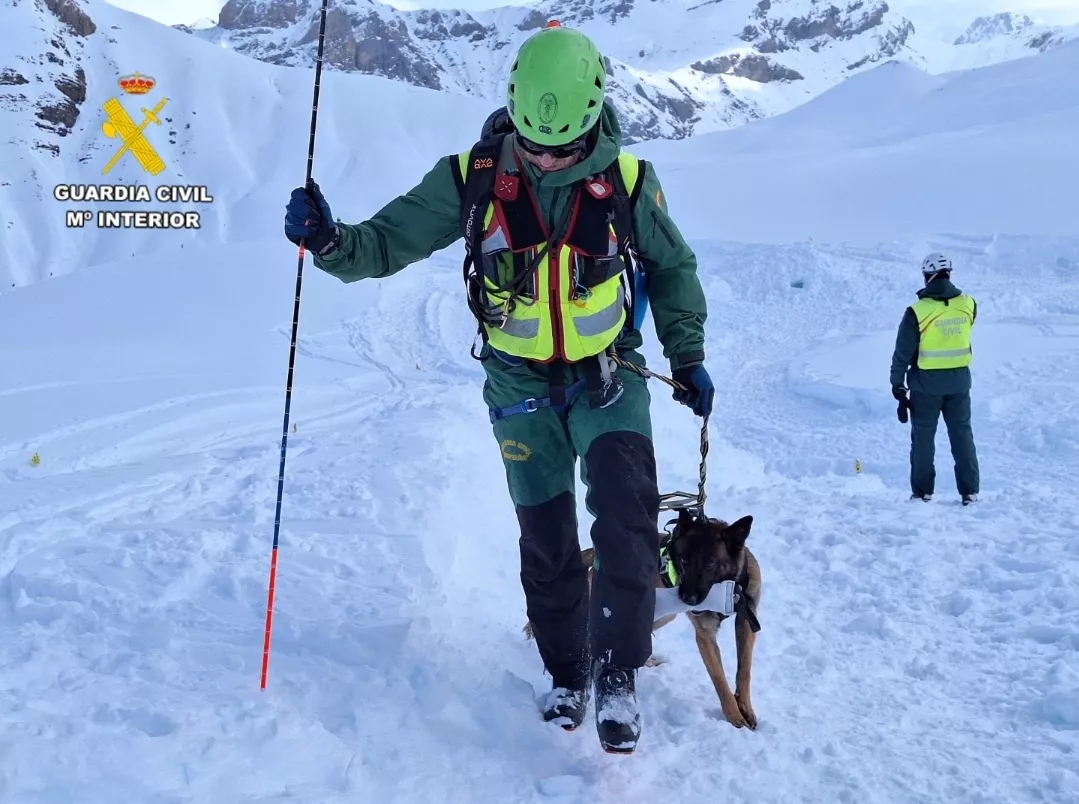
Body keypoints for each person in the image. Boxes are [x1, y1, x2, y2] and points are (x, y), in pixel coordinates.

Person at [283, 21, 711, 754]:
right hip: (516, 382)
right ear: (513, 108)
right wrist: (327, 241)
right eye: (533, 141)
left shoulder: (630, 185)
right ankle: (567, 674)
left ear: (592, 117)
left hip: (608, 378)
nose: (545, 156)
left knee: (628, 522)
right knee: (546, 541)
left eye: (562, 146)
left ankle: (616, 676)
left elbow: (672, 269)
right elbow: (385, 242)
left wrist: (688, 353)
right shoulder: (472, 177)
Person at [890, 253, 980, 505]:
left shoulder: (917, 312)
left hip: (925, 387)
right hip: (960, 384)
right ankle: (969, 492)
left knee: (923, 439)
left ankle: (922, 492)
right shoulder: (969, 304)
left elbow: (903, 352)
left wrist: (897, 384)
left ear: (927, 276)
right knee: (962, 436)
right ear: (949, 273)